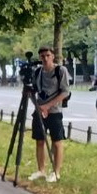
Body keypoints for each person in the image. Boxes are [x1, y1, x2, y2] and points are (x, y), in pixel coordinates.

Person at [27, 46, 71, 182]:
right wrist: (39, 107)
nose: (45, 58)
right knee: (39, 141)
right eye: (42, 56)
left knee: (57, 141)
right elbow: (32, 91)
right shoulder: (38, 71)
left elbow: (65, 92)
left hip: (55, 111)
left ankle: (56, 172)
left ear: (52, 56)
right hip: (40, 111)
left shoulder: (60, 71)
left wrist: (48, 106)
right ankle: (41, 170)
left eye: (47, 55)